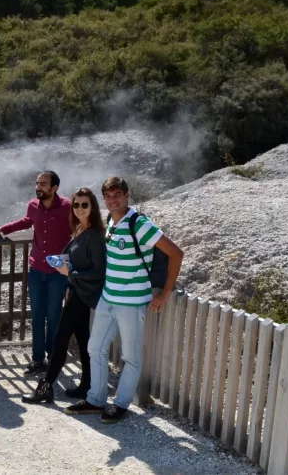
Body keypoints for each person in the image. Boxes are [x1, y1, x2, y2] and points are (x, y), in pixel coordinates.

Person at [66, 177, 184, 423]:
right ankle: (95, 400)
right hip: (109, 297)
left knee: (131, 357)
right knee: (95, 348)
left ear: (127, 195)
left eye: (117, 195)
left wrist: (165, 293)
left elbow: (176, 253)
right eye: (108, 196)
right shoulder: (111, 222)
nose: (112, 200)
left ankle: (120, 404)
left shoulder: (139, 223)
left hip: (131, 301)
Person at [23, 187, 105, 404]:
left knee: (60, 338)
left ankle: (46, 387)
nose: (79, 208)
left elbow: (99, 271)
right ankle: (87, 385)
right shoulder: (80, 230)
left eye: (84, 205)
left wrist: (71, 272)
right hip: (76, 291)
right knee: (82, 338)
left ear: (93, 207)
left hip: (83, 295)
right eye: (76, 204)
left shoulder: (95, 235)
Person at [0, 171, 71, 377]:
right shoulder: (33, 205)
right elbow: (25, 221)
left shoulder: (68, 207)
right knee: (37, 316)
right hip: (36, 270)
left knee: (53, 317)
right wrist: (1, 229)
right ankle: (37, 360)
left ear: (54, 187)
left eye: (43, 184)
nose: (38, 187)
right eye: (37, 183)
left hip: (58, 272)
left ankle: (53, 358)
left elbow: (81, 227)